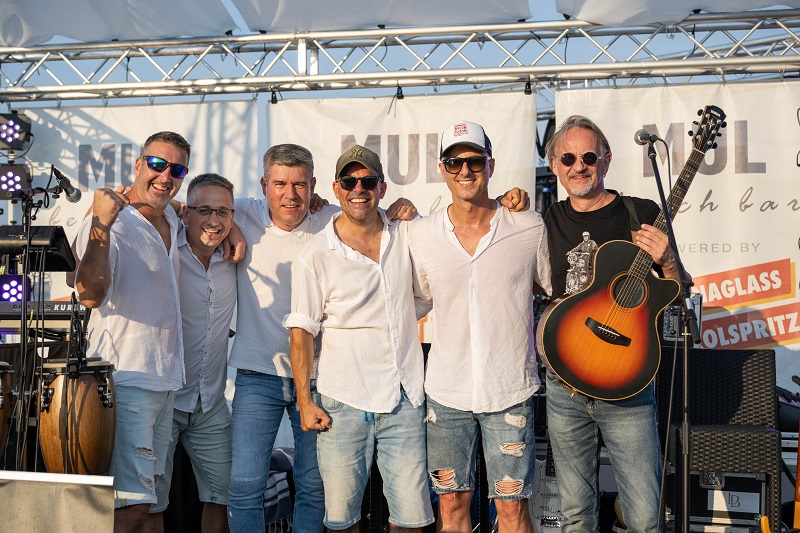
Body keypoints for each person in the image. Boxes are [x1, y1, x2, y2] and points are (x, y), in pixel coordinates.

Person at [226, 143, 418, 533]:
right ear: (264, 185)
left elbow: (374, 213)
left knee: (315, 488)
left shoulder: (334, 217)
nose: (290, 194)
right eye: (280, 183)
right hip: (256, 375)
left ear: (315, 186)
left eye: (300, 184)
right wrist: (226, 225)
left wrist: (404, 208)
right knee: (245, 485)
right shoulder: (240, 214)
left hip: (318, 381)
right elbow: (192, 209)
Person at [407, 120, 551, 533]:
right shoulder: (421, 233)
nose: (465, 171)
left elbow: (560, 293)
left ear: (490, 165)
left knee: (511, 509)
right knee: (451, 505)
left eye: (474, 161)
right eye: (455, 162)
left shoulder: (528, 225)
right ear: (442, 168)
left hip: (510, 389)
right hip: (446, 392)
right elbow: (410, 302)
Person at [542, 115, 681, 531]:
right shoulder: (543, 221)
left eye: (588, 156)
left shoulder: (642, 213)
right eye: (568, 157)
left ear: (606, 160)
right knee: (575, 515)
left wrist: (669, 261)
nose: (578, 165)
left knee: (643, 515)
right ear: (554, 165)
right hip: (564, 385)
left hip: (628, 386)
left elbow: (675, 292)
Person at [285, 145, 434, 532]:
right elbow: (301, 331)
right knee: (341, 522)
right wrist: (304, 400)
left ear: (381, 187)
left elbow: (420, 299)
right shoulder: (315, 253)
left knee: (412, 521)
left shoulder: (407, 235)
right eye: (350, 181)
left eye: (368, 180)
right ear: (336, 189)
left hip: (403, 398)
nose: (359, 188)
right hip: (342, 404)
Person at [74, 131, 191, 533]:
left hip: (165, 383)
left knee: (154, 508)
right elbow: (89, 294)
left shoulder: (173, 218)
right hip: (125, 383)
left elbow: (182, 205)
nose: (165, 176)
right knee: (129, 509)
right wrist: (101, 224)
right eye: (157, 164)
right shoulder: (110, 223)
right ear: (138, 165)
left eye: (176, 169)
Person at [150, 173, 237, 533]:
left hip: (210, 405)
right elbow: (138, 202)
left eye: (223, 212)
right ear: (186, 212)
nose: (214, 221)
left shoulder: (236, 257)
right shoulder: (165, 245)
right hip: (164, 400)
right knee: (150, 503)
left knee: (223, 498)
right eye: (204, 210)